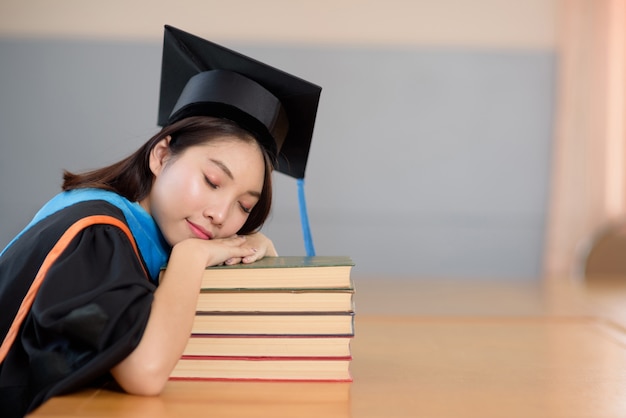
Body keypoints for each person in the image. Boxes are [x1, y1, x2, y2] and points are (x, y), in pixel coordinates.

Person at [0, 25, 321, 417]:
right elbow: (145, 373)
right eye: (212, 181)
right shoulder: (98, 234)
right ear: (162, 155)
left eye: (244, 206)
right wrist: (191, 256)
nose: (220, 216)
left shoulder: (135, 234)